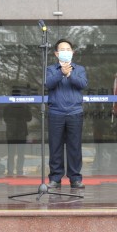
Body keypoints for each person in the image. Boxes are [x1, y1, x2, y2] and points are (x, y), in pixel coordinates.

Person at [45, 38, 88, 188]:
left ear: (73, 52)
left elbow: (82, 84)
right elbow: (48, 84)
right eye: (62, 50)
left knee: (74, 146)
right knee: (55, 147)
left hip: (75, 112)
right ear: (56, 54)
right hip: (56, 113)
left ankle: (75, 178)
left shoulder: (79, 69)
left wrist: (69, 74)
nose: (65, 52)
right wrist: (61, 73)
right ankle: (55, 178)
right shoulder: (51, 69)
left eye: (68, 49)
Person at [3, 88, 33, 176]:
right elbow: (29, 118)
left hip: (12, 132)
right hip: (21, 132)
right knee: (20, 154)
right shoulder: (24, 106)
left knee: (11, 154)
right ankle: (19, 171)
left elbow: (5, 119)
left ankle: (10, 171)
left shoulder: (7, 107)